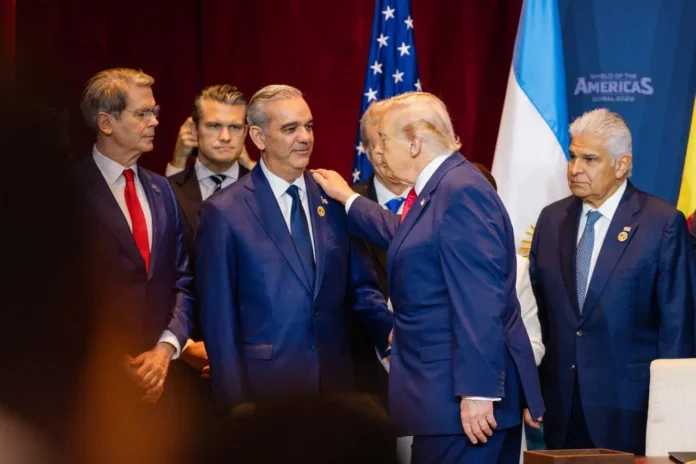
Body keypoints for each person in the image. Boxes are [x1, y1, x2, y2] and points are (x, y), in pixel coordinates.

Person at [313, 91, 544, 463]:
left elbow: (479, 298)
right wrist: (348, 199)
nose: (378, 152)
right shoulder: (443, 188)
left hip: (462, 405)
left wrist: (477, 393)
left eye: (384, 140)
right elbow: (411, 236)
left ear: (415, 143)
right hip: (446, 402)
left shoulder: (461, 192)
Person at [195, 85, 393, 411]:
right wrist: (234, 403)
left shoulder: (334, 197)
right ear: (258, 137)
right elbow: (219, 318)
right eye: (290, 129)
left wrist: (390, 332)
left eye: (308, 126)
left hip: (337, 389)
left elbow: (361, 288)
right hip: (266, 393)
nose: (305, 137)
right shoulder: (224, 211)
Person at [529, 108, 695, 454]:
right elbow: (537, 316)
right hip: (560, 408)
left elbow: (677, 326)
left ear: (622, 165)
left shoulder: (661, 223)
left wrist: (674, 411)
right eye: (573, 156)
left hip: (632, 411)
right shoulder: (551, 219)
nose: (575, 169)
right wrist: (532, 390)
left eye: (589, 159)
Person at [72, 68, 194, 407]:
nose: (155, 121)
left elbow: (182, 279)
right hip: (88, 387)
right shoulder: (65, 190)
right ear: (106, 123)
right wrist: (111, 360)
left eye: (154, 112)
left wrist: (165, 348)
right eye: (142, 114)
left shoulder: (162, 189)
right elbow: (50, 291)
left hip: (164, 383)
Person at [350, 100, 409, 406]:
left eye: (394, 143)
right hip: (363, 376)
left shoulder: (441, 201)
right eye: (378, 145)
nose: (387, 155)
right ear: (365, 149)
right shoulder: (342, 205)